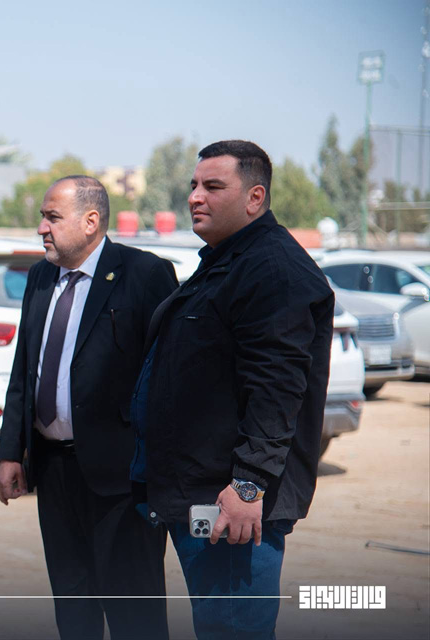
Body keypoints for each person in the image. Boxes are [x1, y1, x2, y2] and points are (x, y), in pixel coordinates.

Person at [133, 140, 334, 639]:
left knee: (233, 629)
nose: (195, 197)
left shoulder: (272, 269)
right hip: (202, 495)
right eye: (194, 185)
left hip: (231, 508)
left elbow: (276, 388)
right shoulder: (228, 260)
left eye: (213, 186)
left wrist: (248, 486)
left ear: (254, 197)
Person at [0, 175, 178, 640]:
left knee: (134, 614)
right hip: (54, 471)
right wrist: (11, 452)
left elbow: (168, 379)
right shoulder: (40, 277)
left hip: (122, 479)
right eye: (43, 217)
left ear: (91, 221)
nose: (42, 228)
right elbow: (25, 368)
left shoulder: (144, 274)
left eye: (52, 217)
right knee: (73, 606)